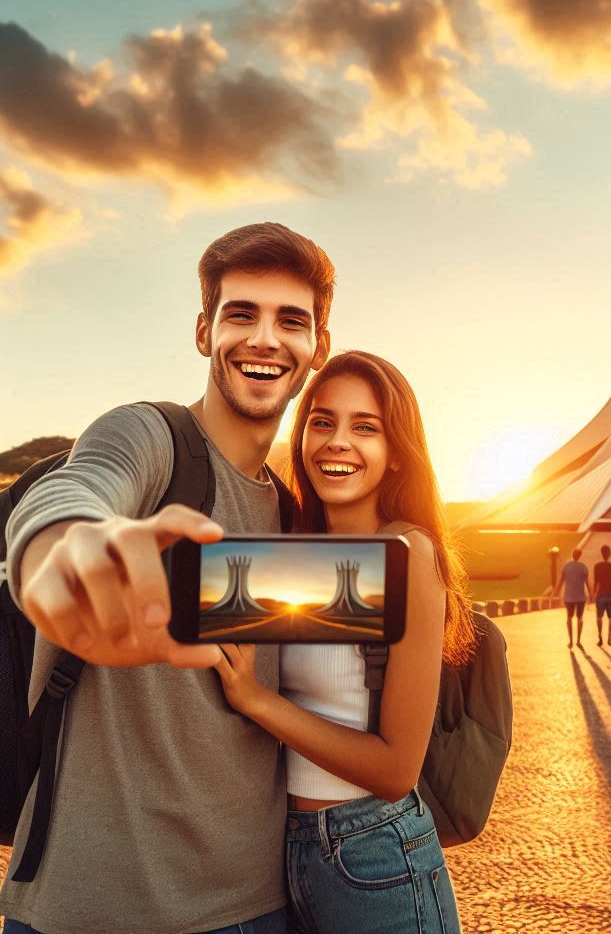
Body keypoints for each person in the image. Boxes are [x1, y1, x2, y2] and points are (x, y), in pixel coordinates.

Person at [1, 223, 334, 933]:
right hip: (83, 906)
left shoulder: (303, 516)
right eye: (240, 313)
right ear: (203, 331)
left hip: (254, 907)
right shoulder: (152, 437)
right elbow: (81, 487)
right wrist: (62, 552)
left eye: (291, 320)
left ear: (319, 346)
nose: (265, 339)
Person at [213, 351, 475, 934]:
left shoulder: (407, 554)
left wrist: (258, 702)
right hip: (284, 855)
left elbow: (395, 770)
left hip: (376, 852)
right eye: (322, 421)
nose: (337, 442)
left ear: (397, 453)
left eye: (365, 428)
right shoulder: (291, 555)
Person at [556, 547, 590, 648]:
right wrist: (591, 594)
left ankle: (570, 641)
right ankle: (578, 641)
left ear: (572, 554)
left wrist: (556, 592)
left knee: (569, 618)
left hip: (569, 597)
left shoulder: (566, 566)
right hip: (580, 597)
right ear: (580, 556)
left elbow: (561, 581)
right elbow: (587, 583)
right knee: (580, 618)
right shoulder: (583, 567)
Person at [592, 544, 611, 647]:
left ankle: (600, 637)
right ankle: (609, 638)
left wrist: (593, 594)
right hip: (610, 595)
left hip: (600, 595)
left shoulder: (597, 566)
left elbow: (595, 582)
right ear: (609, 554)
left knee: (599, 617)